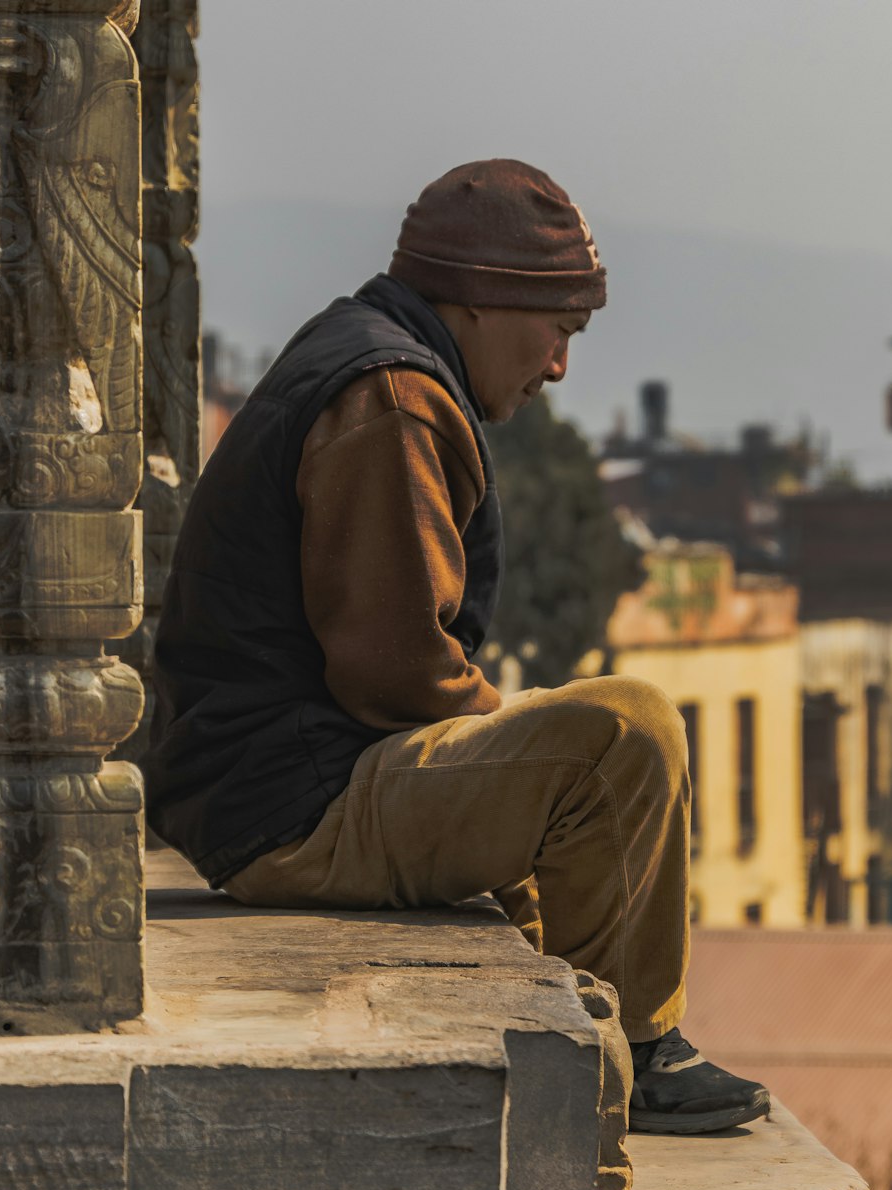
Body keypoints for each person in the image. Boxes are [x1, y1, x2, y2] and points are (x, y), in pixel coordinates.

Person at [144, 158, 769, 1137]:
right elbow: (394, 672)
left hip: (275, 789)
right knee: (625, 730)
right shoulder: (391, 393)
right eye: (558, 329)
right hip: (292, 808)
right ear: (480, 300)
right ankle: (637, 1052)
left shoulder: (371, 356)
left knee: (565, 745)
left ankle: (595, 1033)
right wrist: (521, 749)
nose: (559, 365)